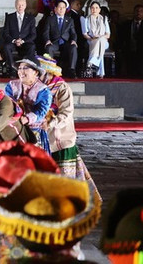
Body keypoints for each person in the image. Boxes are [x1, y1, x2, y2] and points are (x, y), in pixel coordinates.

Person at [36, 54, 100, 198]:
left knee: (66, 177)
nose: (37, 75)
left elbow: (66, 113)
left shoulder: (62, 88)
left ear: (48, 73)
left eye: (40, 72)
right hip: (43, 139)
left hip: (61, 138)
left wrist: (51, 122)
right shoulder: (37, 88)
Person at [5, 58, 52, 153]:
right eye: (19, 68)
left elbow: (42, 110)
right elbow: (7, 103)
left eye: (25, 68)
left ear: (35, 72)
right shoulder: (11, 86)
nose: (21, 71)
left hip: (34, 130)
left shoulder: (43, 90)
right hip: (14, 127)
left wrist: (27, 118)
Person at [41, 0, 78, 78]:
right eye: (60, 7)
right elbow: (45, 32)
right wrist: (47, 40)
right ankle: (50, 71)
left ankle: (72, 70)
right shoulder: (50, 19)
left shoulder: (70, 20)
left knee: (73, 47)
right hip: (54, 42)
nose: (61, 9)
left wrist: (74, 40)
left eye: (63, 8)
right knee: (49, 48)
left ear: (66, 9)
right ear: (55, 9)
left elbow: (73, 33)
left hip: (66, 43)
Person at [0, 0, 37, 76]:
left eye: (22, 5)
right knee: (6, 47)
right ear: (15, 5)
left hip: (25, 42)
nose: (20, 7)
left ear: (25, 6)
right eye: (18, 5)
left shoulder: (30, 18)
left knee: (32, 46)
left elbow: (33, 34)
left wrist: (23, 41)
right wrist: (14, 40)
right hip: (13, 42)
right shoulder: (9, 17)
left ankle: (27, 68)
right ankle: (12, 68)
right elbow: (5, 33)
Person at [81, 0, 110, 78]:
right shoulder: (86, 19)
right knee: (99, 46)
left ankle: (91, 62)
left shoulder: (104, 19)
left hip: (104, 41)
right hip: (91, 40)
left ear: (99, 10)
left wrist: (100, 37)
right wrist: (92, 38)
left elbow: (108, 35)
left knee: (100, 41)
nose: (94, 10)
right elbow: (85, 34)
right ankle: (100, 73)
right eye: (93, 8)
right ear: (90, 9)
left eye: (97, 8)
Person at [119, 4, 143, 78]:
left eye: (141, 11)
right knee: (130, 74)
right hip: (129, 53)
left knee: (141, 74)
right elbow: (121, 38)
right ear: (133, 12)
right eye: (136, 11)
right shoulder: (126, 24)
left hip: (142, 54)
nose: (138, 13)